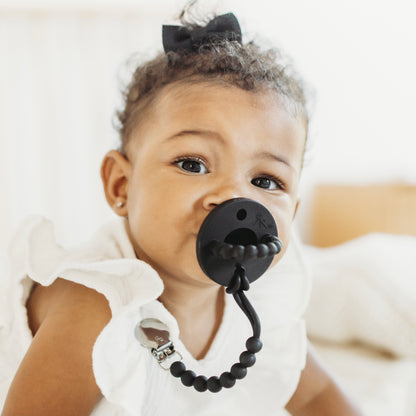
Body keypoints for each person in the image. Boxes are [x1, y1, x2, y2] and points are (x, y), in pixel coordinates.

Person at [0, 6, 363, 416]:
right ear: (121, 185)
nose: (232, 198)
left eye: (265, 181)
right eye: (193, 164)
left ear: (291, 217)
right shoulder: (95, 310)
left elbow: (316, 396)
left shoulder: (259, 309)